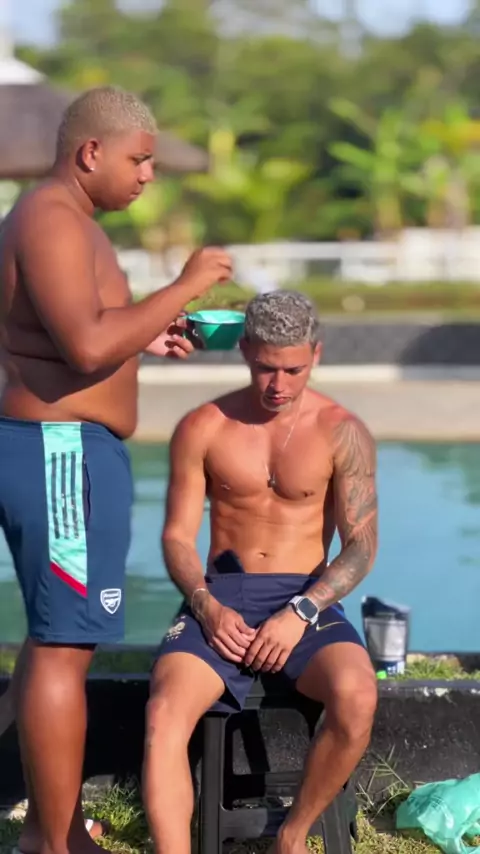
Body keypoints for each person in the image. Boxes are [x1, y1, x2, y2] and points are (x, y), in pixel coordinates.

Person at [0, 85, 232, 854]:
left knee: (57, 639)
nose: (148, 175)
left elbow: (85, 332)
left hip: (65, 449)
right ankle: (52, 843)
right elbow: (86, 345)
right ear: (91, 152)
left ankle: (56, 830)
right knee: (64, 644)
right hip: (59, 452)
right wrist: (187, 284)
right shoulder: (52, 218)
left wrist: (148, 333)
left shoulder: (62, 220)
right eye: (139, 160)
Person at [143, 290, 379, 854]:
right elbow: (176, 537)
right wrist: (204, 604)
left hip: (306, 597)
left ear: (315, 354)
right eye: (266, 367)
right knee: (162, 716)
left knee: (356, 697)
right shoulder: (203, 425)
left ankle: (290, 839)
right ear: (245, 349)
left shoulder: (342, 430)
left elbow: (362, 546)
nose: (278, 384)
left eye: (293, 369)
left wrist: (302, 611)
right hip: (220, 595)